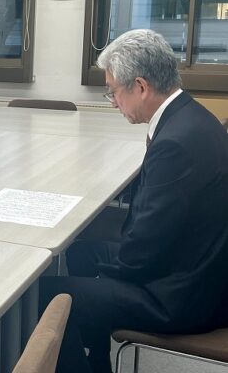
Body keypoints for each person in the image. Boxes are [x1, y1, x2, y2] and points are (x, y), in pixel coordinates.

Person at [40, 29, 228, 372]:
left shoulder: (176, 144)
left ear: (140, 86)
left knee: (49, 298)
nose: (113, 102)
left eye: (113, 91)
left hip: (180, 297)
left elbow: (141, 252)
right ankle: (97, 358)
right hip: (194, 266)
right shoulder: (192, 117)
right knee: (81, 252)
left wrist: (110, 276)